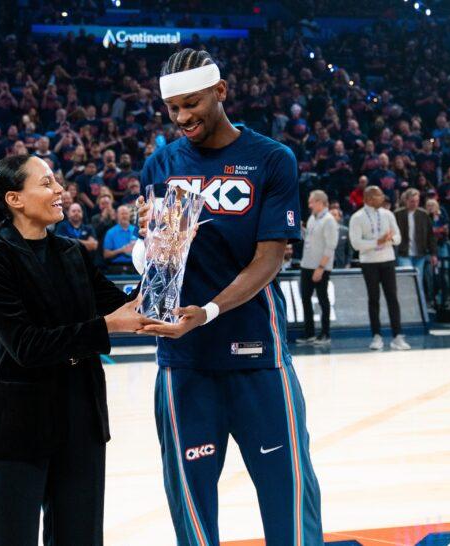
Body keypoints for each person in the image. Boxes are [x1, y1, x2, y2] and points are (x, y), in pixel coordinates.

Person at [136, 49, 323, 546]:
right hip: (184, 361)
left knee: (288, 499)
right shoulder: (159, 165)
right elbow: (160, 265)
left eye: (192, 103)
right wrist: (145, 242)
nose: (182, 118)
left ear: (220, 91)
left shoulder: (271, 159)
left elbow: (269, 259)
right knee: (192, 510)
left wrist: (208, 311)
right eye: (173, 108)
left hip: (257, 354)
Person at [0, 154, 155, 546]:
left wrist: (160, 250)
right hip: (21, 425)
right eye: (47, 183)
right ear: (15, 199)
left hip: (81, 419)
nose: (60, 190)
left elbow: (131, 307)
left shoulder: (73, 252)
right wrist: (106, 326)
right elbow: (26, 345)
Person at [349, 186, 409, 351]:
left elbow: (398, 237)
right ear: (369, 198)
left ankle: (398, 336)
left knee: (392, 298)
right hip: (369, 262)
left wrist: (390, 239)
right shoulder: (357, 217)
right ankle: (376, 336)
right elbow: (356, 243)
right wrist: (377, 242)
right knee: (373, 299)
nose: (383, 197)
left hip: (388, 260)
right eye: (379, 195)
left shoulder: (388, 214)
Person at [297, 190, 338, 346]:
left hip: (320, 267)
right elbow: (310, 238)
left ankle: (325, 334)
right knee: (305, 299)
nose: (309, 205)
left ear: (320, 202)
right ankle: (310, 334)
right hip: (306, 265)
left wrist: (321, 267)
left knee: (323, 300)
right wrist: (302, 230)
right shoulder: (312, 218)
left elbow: (330, 246)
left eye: (311, 202)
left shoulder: (329, 220)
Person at [394, 188, 437, 302]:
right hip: (404, 253)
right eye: (412, 201)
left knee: (418, 281)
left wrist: (433, 253)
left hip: (420, 253)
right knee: (407, 281)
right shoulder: (397, 214)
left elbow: (430, 235)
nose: (414, 203)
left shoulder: (424, 214)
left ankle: (420, 307)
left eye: (417, 201)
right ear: (406, 200)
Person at [102, 205, 137, 272]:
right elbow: (106, 255)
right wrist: (121, 250)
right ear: (117, 216)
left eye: (126, 213)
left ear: (129, 215)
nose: (124, 216)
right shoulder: (110, 232)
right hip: (116, 267)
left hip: (134, 267)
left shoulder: (136, 231)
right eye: (122, 214)